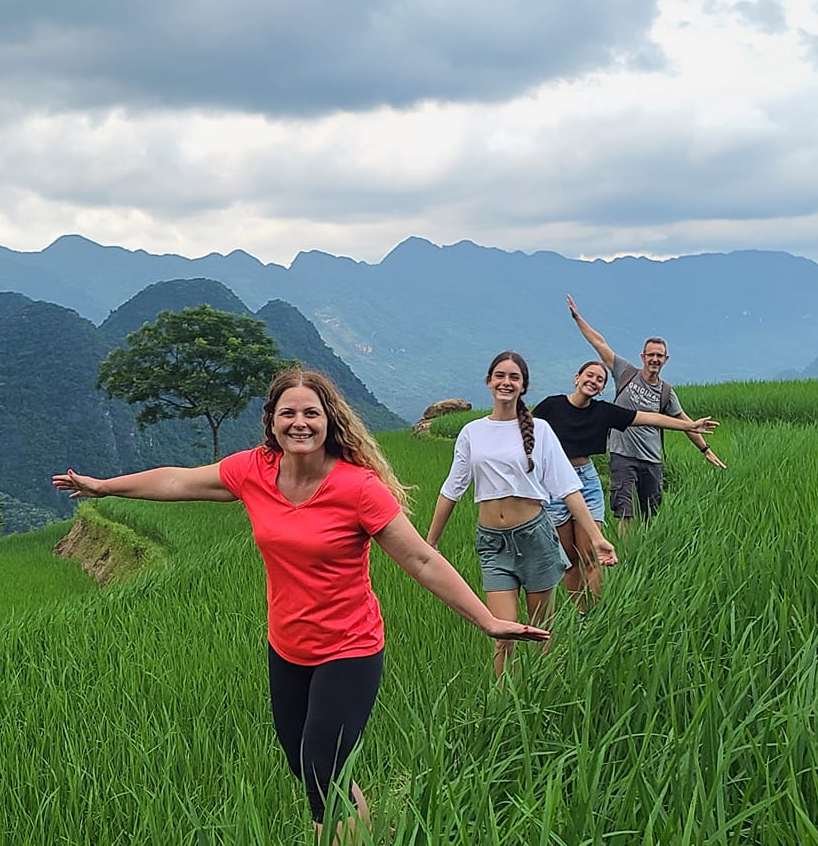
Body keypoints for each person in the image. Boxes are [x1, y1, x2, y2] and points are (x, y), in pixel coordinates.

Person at [52, 367, 547, 840]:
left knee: (322, 770)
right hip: (287, 648)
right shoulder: (255, 470)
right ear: (271, 421)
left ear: (329, 420)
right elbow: (178, 481)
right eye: (287, 413)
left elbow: (420, 559)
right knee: (308, 766)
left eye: (311, 413)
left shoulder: (358, 488)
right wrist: (104, 487)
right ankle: (363, 833)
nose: (299, 423)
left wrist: (486, 620)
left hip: (349, 648)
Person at [425, 351, 607, 677]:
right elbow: (452, 488)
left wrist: (596, 537)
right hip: (493, 543)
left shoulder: (541, 430)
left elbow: (567, 487)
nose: (506, 382)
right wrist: (430, 542)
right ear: (489, 381)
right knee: (502, 635)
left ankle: (542, 694)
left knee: (540, 633)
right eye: (500, 375)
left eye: (514, 377)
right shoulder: (472, 432)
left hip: (535, 538)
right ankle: (503, 702)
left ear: (523, 386)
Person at [532, 360, 717, 611]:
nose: (593, 381)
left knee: (591, 555)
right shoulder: (551, 406)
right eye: (589, 375)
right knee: (569, 560)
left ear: (602, 389)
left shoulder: (603, 412)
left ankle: (592, 616)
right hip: (553, 483)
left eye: (600, 379)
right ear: (577, 377)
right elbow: (525, 432)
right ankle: (580, 614)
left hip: (585, 481)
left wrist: (689, 425)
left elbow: (649, 418)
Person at [567, 296, 725, 530]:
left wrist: (705, 450)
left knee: (650, 515)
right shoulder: (625, 373)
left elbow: (686, 423)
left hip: (652, 460)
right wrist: (578, 319)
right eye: (650, 355)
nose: (654, 359)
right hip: (622, 456)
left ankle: (647, 548)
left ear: (665, 360)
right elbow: (600, 344)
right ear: (642, 357)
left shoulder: (666, 392)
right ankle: (626, 552)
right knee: (624, 512)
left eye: (659, 356)